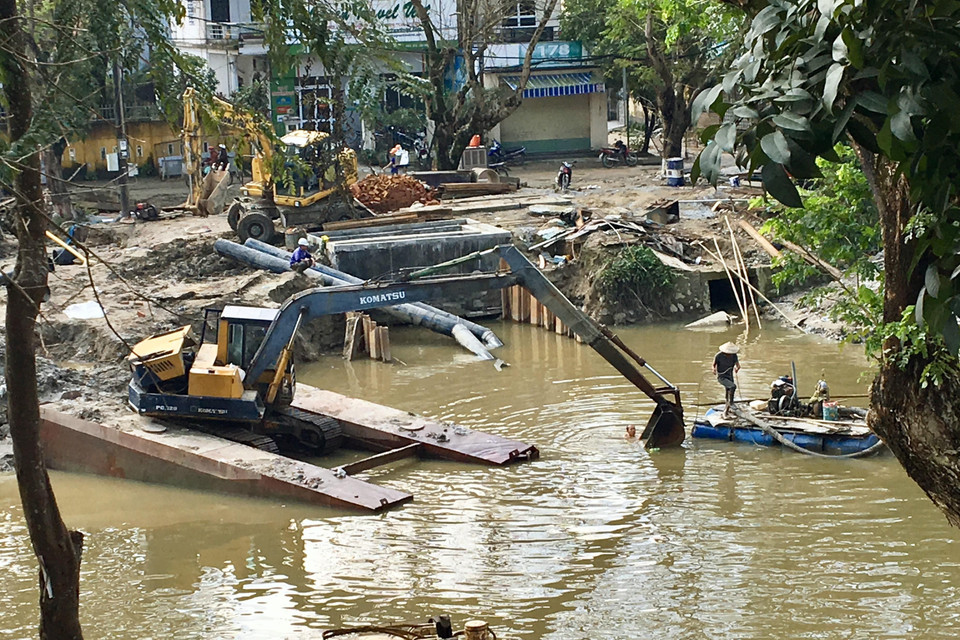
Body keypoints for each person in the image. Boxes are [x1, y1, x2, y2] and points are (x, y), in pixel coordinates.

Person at [712, 341, 741, 418]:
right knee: (732, 386)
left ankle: (727, 408)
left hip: (729, 375)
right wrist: (714, 370)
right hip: (722, 376)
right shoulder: (718, 356)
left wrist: (737, 368)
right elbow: (713, 365)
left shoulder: (734, 356)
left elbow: (738, 365)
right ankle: (731, 403)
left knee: (728, 390)